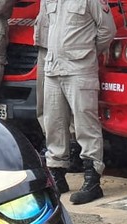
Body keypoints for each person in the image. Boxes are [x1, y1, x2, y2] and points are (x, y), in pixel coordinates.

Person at [43, 0, 116, 204]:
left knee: (86, 124)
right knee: (54, 124)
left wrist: (87, 52)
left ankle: (92, 181)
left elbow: (107, 30)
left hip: (79, 69)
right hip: (53, 68)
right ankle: (57, 174)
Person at [35, 0, 83, 174]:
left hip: (67, 46)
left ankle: (73, 146)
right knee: (46, 104)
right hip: (44, 43)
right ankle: (52, 146)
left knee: (70, 104)